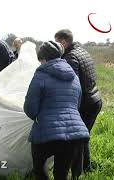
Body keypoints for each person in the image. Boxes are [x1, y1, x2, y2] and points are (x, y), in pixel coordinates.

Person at [24, 41, 89, 180]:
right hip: (74, 135)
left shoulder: (40, 75)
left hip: (46, 133)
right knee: (61, 173)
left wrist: (40, 115)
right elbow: (77, 105)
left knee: (39, 169)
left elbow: (30, 109)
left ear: (44, 59)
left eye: (40, 60)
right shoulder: (74, 77)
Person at [55, 29, 103, 174]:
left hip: (85, 104)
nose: (57, 46)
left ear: (63, 42)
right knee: (83, 138)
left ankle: (78, 172)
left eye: (57, 42)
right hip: (95, 100)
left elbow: (72, 86)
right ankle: (87, 167)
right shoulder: (82, 51)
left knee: (77, 140)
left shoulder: (70, 57)